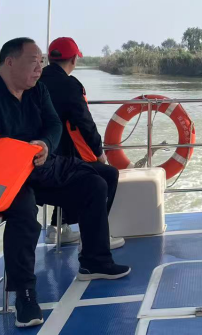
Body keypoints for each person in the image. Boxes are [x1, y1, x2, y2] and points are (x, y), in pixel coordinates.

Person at [0, 38, 130, 329]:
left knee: (98, 181)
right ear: (10, 62)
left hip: (40, 168)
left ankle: (94, 260)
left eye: (42, 61)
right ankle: (24, 294)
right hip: (6, 180)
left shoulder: (39, 90)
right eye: (34, 61)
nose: (39, 68)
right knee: (24, 213)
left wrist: (46, 144)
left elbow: (54, 125)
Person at [38, 37, 123, 250]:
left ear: (49, 59)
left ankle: (58, 227)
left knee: (75, 167)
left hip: (35, 160)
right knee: (107, 175)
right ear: (74, 59)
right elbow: (85, 122)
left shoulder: (34, 81)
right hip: (55, 161)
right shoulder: (70, 85)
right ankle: (95, 238)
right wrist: (99, 152)